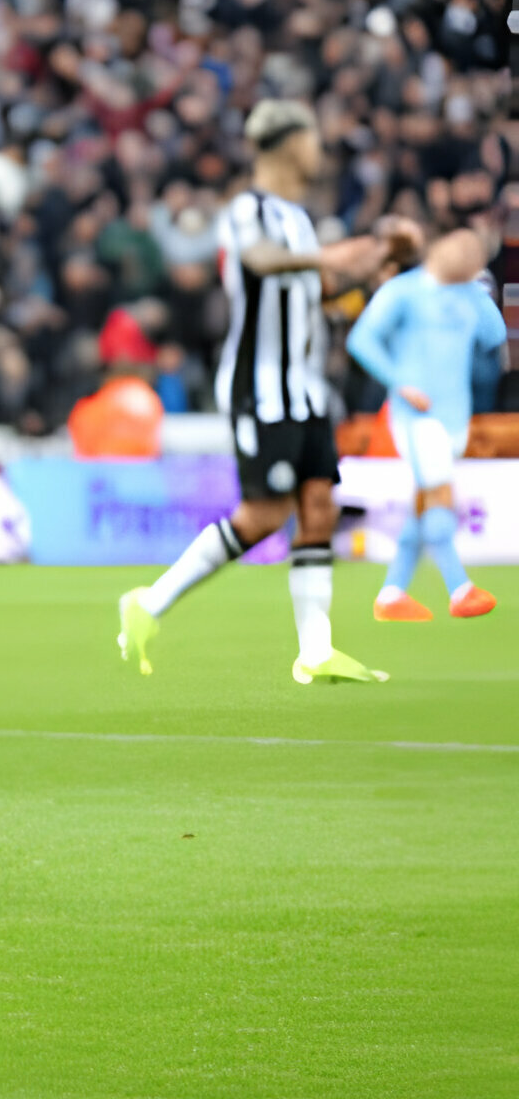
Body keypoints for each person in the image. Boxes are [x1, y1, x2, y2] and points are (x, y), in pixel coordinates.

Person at [116, 101, 402, 684]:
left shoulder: (298, 218)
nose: (318, 150)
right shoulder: (248, 209)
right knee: (265, 515)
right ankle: (148, 603)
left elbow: (313, 286)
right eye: (312, 138)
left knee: (318, 507)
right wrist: (329, 255)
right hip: (260, 388)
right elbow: (260, 260)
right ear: (289, 143)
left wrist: (374, 259)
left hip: (305, 389)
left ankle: (316, 650)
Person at [346, 227, 505, 622]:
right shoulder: (403, 291)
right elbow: (361, 339)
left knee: (424, 503)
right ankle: (460, 589)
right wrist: (399, 381)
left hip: (455, 415)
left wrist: (476, 290)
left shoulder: (468, 295)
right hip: (417, 416)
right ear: (437, 249)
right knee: (439, 495)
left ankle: (392, 594)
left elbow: (495, 335)